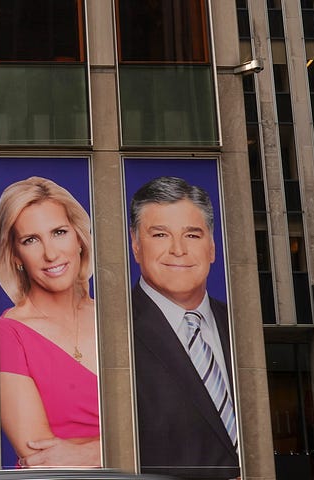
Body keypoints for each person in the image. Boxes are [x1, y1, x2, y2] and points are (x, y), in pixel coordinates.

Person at [127, 176, 239, 479]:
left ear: (212, 247)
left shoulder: (239, 325)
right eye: (160, 235)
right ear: (136, 245)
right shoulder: (113, 329)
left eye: (192, 235)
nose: (178, 249)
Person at [0, 176, 101, 468]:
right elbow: (41, 459)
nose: (51, 254)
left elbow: (178, 428)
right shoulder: (7, 335)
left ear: (79, 237)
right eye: (31, 240)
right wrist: (135, 448)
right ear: (16, 255)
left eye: (59, 232)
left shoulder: (122, 320)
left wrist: (91, 453)